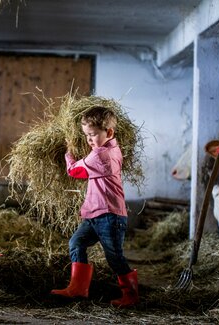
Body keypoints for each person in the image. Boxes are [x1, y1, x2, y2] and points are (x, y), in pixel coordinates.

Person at [50, 106, 139, 307]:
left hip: (109, 216)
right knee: (77, 243)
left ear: (109, 132)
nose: (89, 140)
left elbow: (75, 172)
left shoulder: (99, 156)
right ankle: (78, 289)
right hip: (95, 214)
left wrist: (69, 152)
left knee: (115, 258)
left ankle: (131, 295)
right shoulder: (112, 148)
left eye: (92, 135)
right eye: (86, 135)